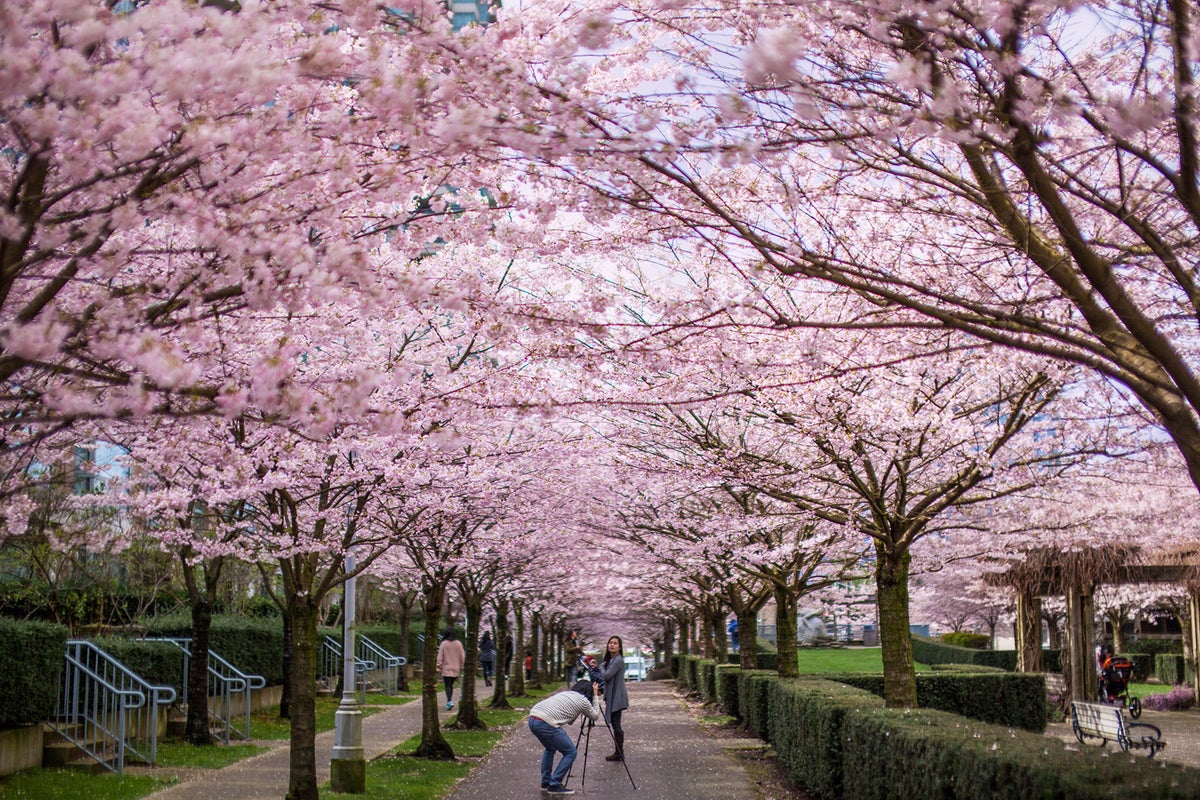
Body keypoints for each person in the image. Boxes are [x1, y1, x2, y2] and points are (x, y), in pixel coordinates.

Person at [527, 679, 602, 795]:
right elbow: (595, 716)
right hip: (545, 722)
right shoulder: (583, 701)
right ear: (589, 693)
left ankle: (546, 781)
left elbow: (569, 720)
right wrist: (596, 696)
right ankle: (555, 784)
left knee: (550, 748)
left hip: (533, 717)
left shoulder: (567, 694)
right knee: (571, 752)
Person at [598, 635, 629, 762]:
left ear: (619, 647)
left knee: (616, 724)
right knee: (616, 724)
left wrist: (600, 667)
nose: (612, 645)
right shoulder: (612, 661)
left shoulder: (617, 661)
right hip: (615, 696)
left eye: (615, 643)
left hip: (617, 697)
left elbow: (607, 676)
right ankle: (618, 751)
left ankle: (619, 752)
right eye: (610, 643)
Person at [436, 629, 466, 710]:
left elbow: (440, 656)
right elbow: (462, 656)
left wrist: (438, 665)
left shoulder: (444, 644)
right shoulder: (458, 643)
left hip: (447, 667)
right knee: (451, 685)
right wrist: (462, 665)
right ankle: (449, 701)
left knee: (447, 685)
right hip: (456, 667)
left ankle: (449, 700)